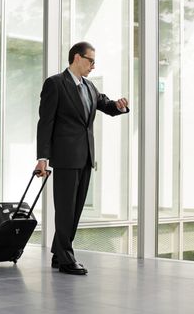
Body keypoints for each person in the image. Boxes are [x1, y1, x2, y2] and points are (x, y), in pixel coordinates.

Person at [35, 41, 129, 275]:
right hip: (65, 158)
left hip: (86, 157)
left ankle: (59, 253)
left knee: (75, 209)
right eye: (91, 61)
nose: (93, 66)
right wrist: (42, 158)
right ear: (77, 58)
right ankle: (67, 258)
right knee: (65, 208)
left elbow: (105, 105)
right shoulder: (55, 84)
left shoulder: (89, 87)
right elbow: (45, 122)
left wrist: (118, 106)